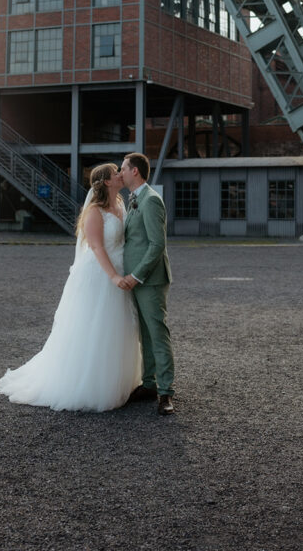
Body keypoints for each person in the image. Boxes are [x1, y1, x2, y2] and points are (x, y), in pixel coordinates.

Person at [0, 163, 142, 412]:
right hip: (99, 274)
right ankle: (90, 384)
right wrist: (115, 277)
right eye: (116, 172)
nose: (120, 174)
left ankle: (119, 378)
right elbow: (96, 248)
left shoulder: (120, 203)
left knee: (117, 327)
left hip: (120, 268)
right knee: (94, 328)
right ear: (106, 181)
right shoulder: (95, 211)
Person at [119, 152, 175, 416]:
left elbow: (157, 244)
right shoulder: (134, 199)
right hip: (136, 279)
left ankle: (165, 392)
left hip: (149, 279)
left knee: (157, 332)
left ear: (135, 172)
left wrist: (137, 274)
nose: (120, 173)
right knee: (144, 333)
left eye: (123, 168)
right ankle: (150, 383)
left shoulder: (151, 200)